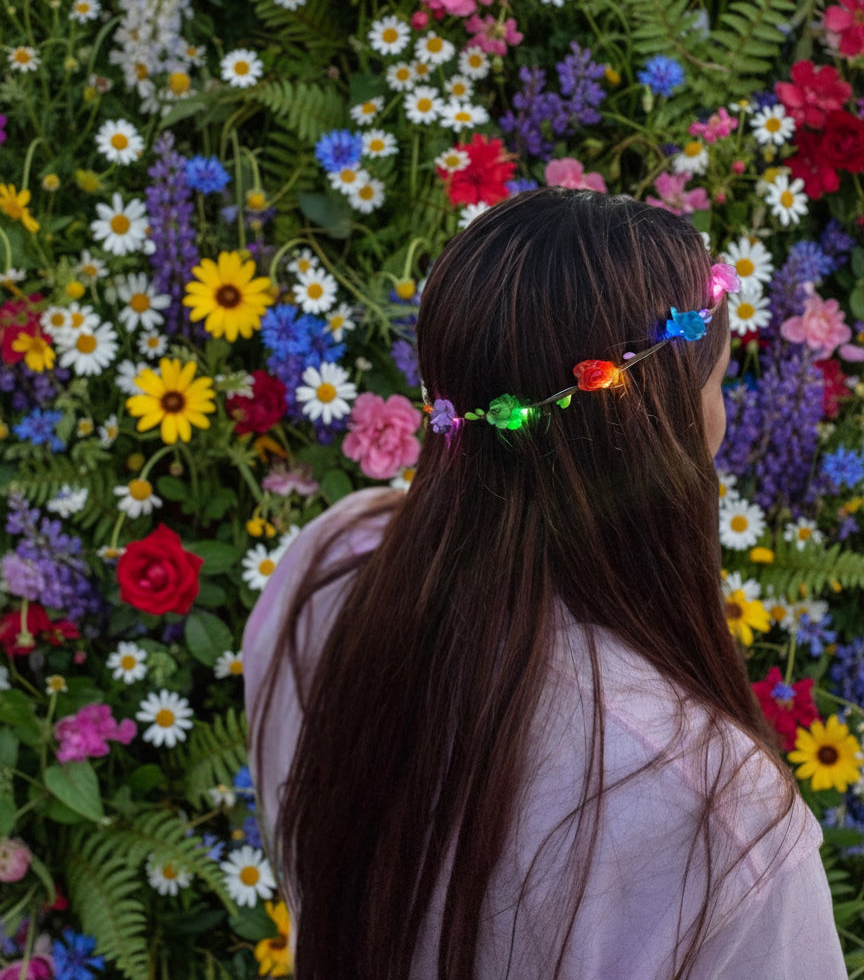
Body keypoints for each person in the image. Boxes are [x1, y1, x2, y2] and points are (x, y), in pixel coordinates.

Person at [244, 189, 846, 980]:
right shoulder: (721, 813)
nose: (722, 420)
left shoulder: (329, 566)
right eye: (717, 384)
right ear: (659, 426)